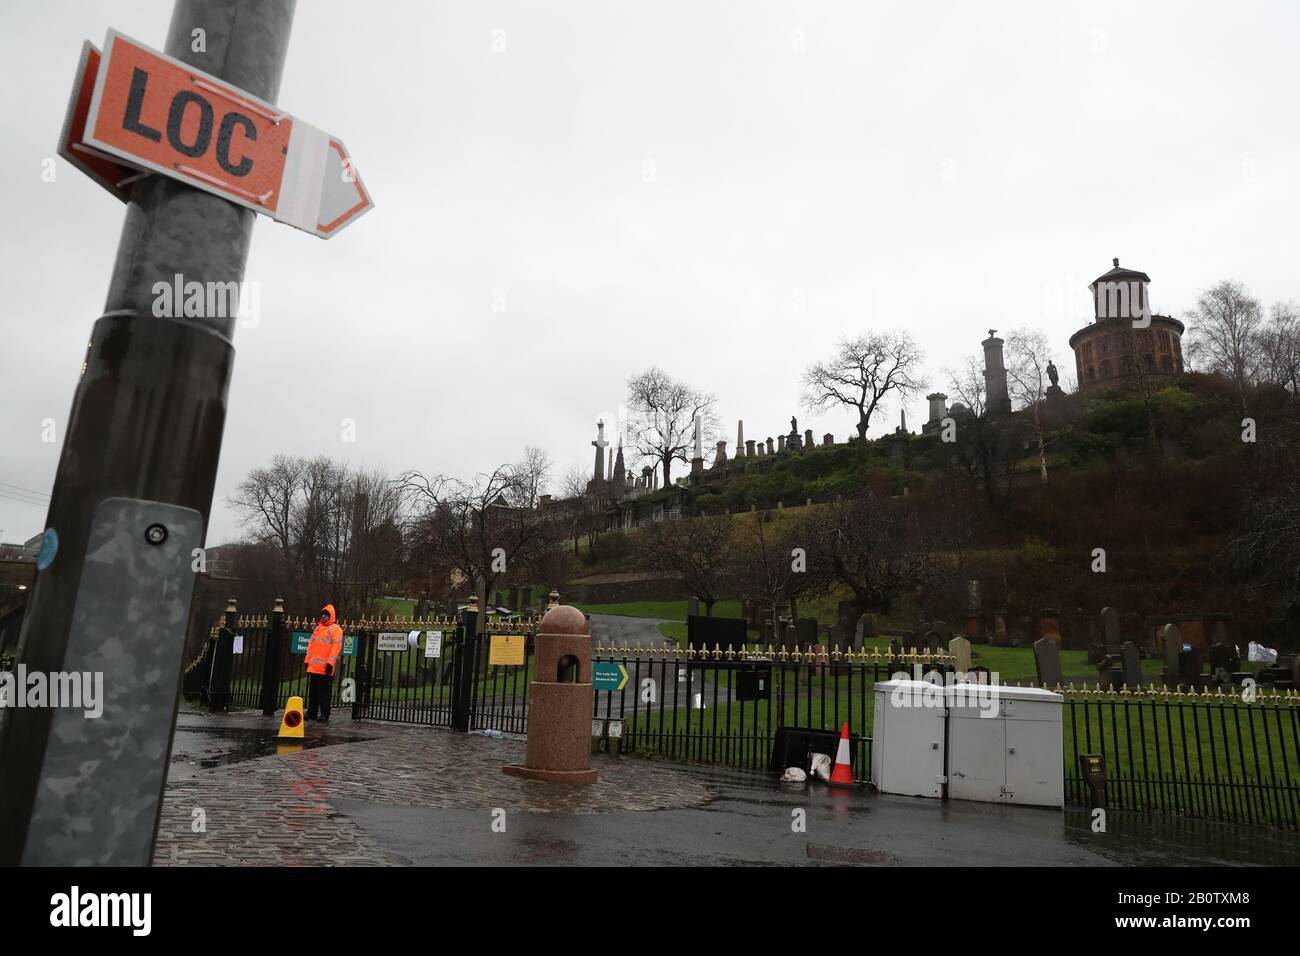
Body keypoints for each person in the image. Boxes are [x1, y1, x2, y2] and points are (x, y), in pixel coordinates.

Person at [305, 604, 344, 722]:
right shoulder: (318, 628)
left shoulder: (335, 629)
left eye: (326, 615)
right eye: (323, 614)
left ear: (331, 616)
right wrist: (307, 661)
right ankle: (312, 712)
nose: (323, 616)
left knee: (324, 693)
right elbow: (310, 646)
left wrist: (330, 663)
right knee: (313, 692)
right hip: (314, 667)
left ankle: (324, 714)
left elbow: (335, 647)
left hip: (325, 667)